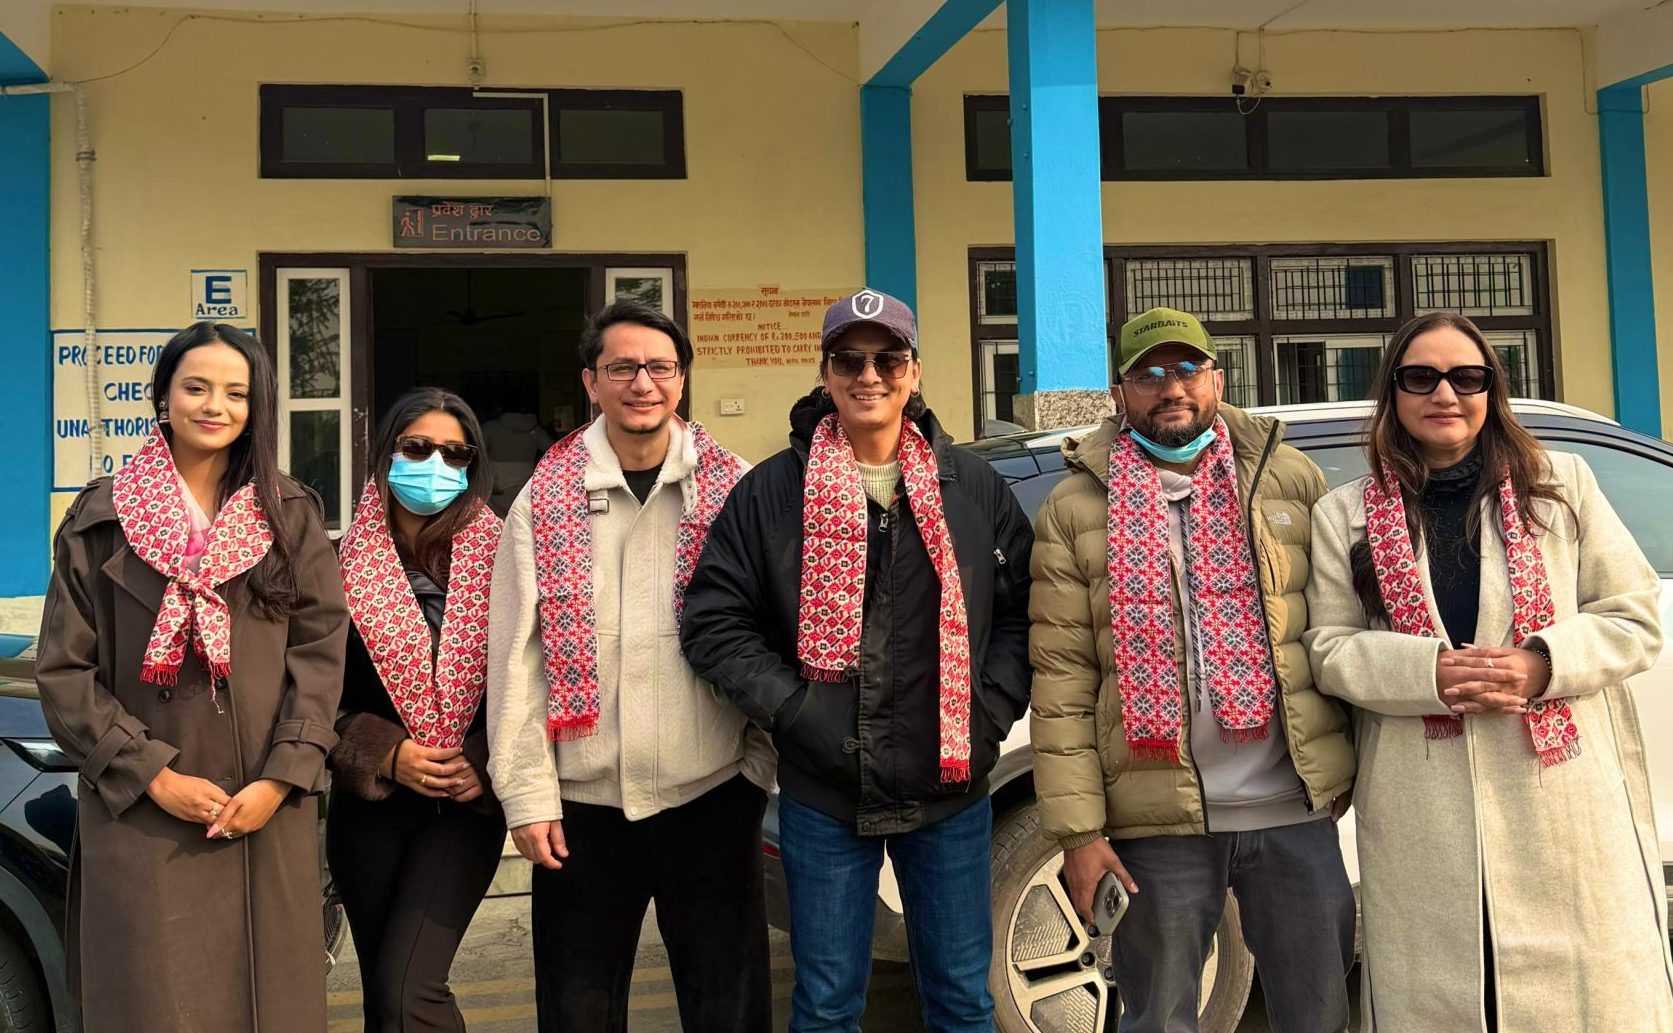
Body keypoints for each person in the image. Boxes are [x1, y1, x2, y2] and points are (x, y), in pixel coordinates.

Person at [1304, 312, 1673, 1031]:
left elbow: (1632, 616)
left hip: (1557, 802)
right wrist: (1429, 673)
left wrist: (1542, 663)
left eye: (1466, 377)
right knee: (1441, 994)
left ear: (1490, 389)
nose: (1444, 394)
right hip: (1422, 807)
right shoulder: (1343, 514)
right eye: (1420, 377)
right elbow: (1329, 647)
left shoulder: (1559, 486)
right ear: (1393, 392)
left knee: (1578, 999)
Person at [681, 288, 1034, 1033]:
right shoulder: (771, 491)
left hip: (950, 788)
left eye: (887, 359)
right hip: (824, 790)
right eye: (848, 359)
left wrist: (988, 714)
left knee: (963, 1001)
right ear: (825, 372)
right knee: (826, 1005)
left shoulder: (971, 486)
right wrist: (796, 712)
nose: (868, 375)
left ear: (914, 370)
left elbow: (1021, 614)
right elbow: (714, 620)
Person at [1030, 307, 1357, 1033]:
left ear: (1217, 378)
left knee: (1318, 1015)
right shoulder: (1074, 506)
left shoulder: (1286, 477)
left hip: (1292, 810)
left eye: (1185, 369)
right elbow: (1061, 683)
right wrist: (1079, 835)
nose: (1169, 388)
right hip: (1156, 821)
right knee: (1159, 1020)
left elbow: (1336, 630)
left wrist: (1350, 769)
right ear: (1119, 393)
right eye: (1147, 374)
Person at [35, 322, 349, 1033]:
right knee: (152, 1004)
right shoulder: (101, 519)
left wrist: (281, 778)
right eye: (197, 387)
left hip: (262, 808)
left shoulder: (289, 514)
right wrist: (151, 774)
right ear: (164, 396)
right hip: (141, 812)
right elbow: (64, 672)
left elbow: (321, 654)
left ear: (257, 405)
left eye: (237, 392)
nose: (215, 406)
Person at [485, 299, 775, 1033]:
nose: (642, 383)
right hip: (581, 811)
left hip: (711, 794)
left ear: (681, 379)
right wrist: (527, 795)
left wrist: (757, 771)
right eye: (621, 367)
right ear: (591, 381)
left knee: (728, 1007)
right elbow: (516, 660)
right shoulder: (543, 499)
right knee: (578, 1008)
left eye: (659, 367)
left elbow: (774, 634)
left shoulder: (737, 490)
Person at [326, 388, 505, 1031]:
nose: (436, 465)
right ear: (386, 455)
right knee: (383, 998)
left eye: (455, 454)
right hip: (368, 812)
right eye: (418, 448)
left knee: (410, 991)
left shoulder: (506, 557)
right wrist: (384, 752)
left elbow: (536, 678)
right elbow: (305, 695)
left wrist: (483, 757)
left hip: (463, 806)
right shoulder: (334, 564)